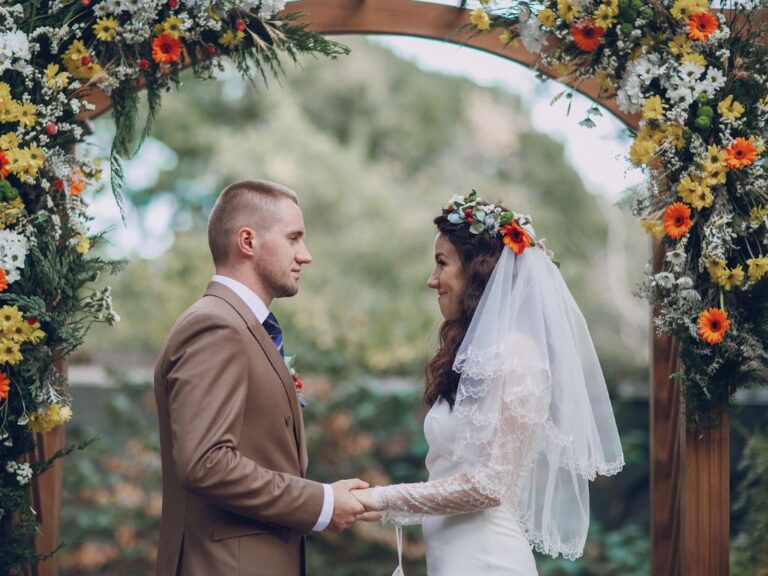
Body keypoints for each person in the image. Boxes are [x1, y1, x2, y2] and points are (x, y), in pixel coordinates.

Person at [353, 192, 625, 575]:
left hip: (487, 561)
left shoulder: (515, 354)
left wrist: (382, 499)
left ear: (478, 271)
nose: (432, 280)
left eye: (442, 263)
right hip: (453, 558)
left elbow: (488, 486)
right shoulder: (475, 356)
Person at [153, 180, 369, 576]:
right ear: (248, 242)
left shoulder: (240, 325)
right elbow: (205, 463)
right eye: (293, 238)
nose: (305, 255)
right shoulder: (216, 326)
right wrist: (321, 503)